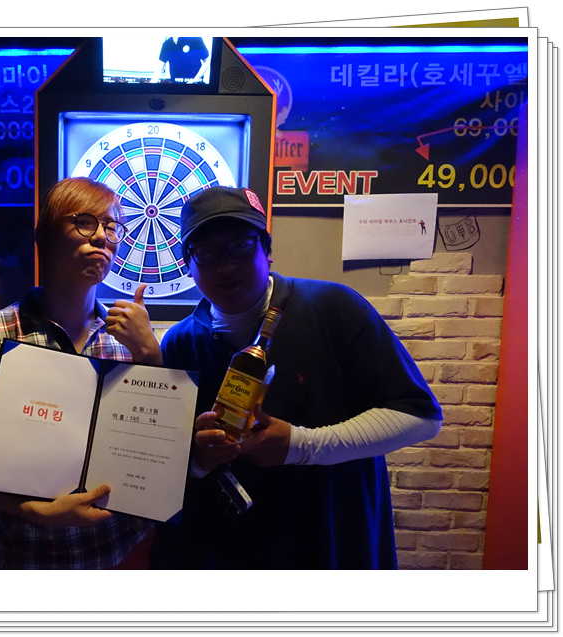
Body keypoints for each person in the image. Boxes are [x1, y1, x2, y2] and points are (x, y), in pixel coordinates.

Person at [150, 185, 443, 569]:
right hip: (234, 553)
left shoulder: (333, 307)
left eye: (241, 245)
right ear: (188, 264)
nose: (225, 265)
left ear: (267, 250)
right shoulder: (180, 342)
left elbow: (421, 417)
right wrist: (199, 458)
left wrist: (303, 445)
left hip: (334, 541)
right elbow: (175, 467)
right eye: (206, 252)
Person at [0, 176, 162, 569]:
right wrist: (35, 510)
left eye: (112, 227)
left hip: (125, 545)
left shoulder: (129, 339)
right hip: (38, 554)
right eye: (85, 223)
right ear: (47, 238)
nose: (102, 237)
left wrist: (151, 355)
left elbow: (156, 447)